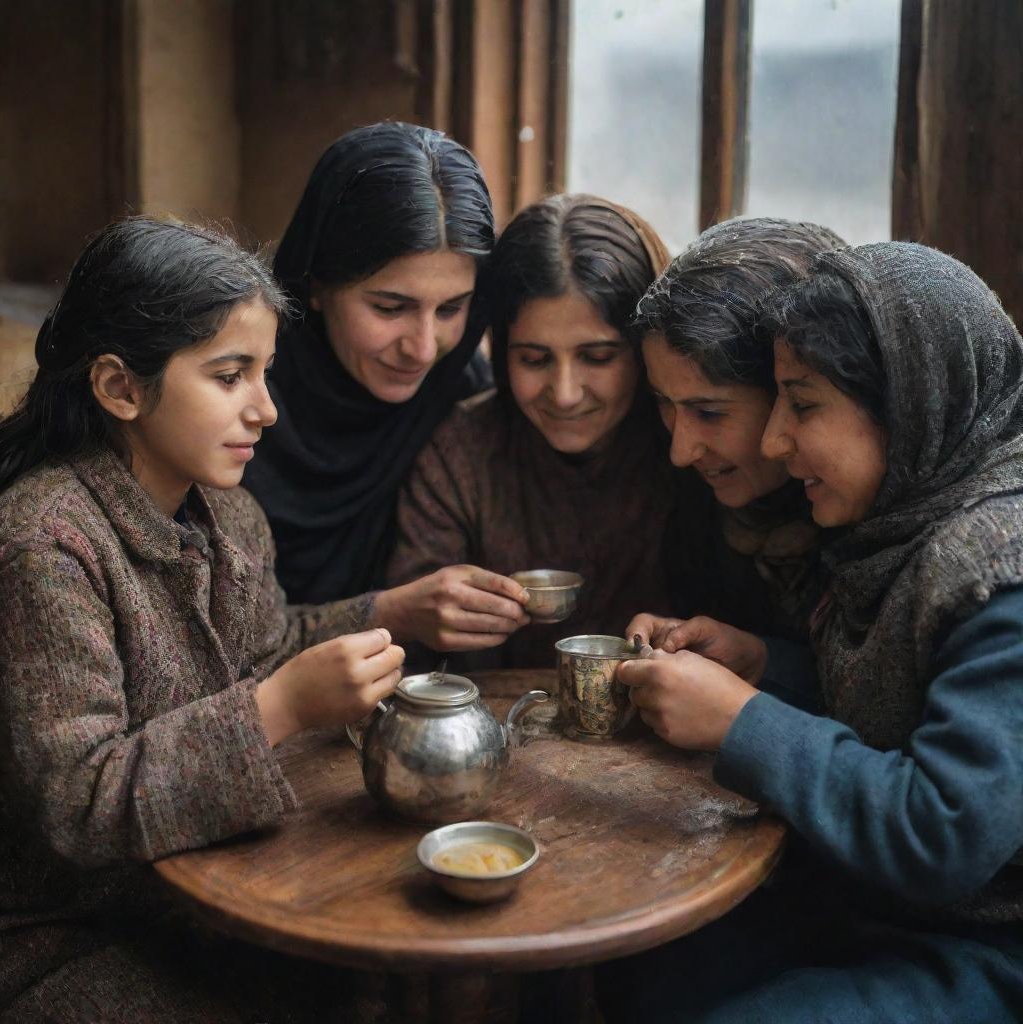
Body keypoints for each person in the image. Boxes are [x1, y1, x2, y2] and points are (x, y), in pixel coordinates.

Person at [0, 218, 407, 1022]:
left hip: (212, 898)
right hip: (68, 935)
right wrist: (282, 708)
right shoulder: (44, 545)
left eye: (266, 373)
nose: (267, 411)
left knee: (382, 985)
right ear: (120, 387)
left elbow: (269, 649)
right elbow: (79, 803)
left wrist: (396, 610)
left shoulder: (229, 515)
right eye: (230, 376)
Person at [611, 242, 1023, 1022]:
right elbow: (907, 698)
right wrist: (762, 665)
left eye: (802, 405)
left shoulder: (1003, 566)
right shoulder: (899, 528)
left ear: (907, 402)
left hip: (989, 949)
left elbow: (946, 833)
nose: (773, 441)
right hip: (875, 908)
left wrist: (741, 721)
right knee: (652, 964)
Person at [243, 123, 536, 662]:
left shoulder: (465, 397)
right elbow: (208, 640)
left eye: (451, 309)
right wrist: (391, 613)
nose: (423, 349)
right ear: (317, 284)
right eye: (389, 307)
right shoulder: (236, 397)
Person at [386, 193, 676, 668]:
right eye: (534, 359)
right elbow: (414, 644)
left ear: (646, 350)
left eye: (597, 357)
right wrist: (436, 617)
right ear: (500, 351)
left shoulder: (691, 444)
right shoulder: (462, 453)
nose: (563, 394)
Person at [631, 217, 844, 642]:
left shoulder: (878, 534)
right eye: (662, 403)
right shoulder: (691, 505)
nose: (681, 451)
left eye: (709, 413)